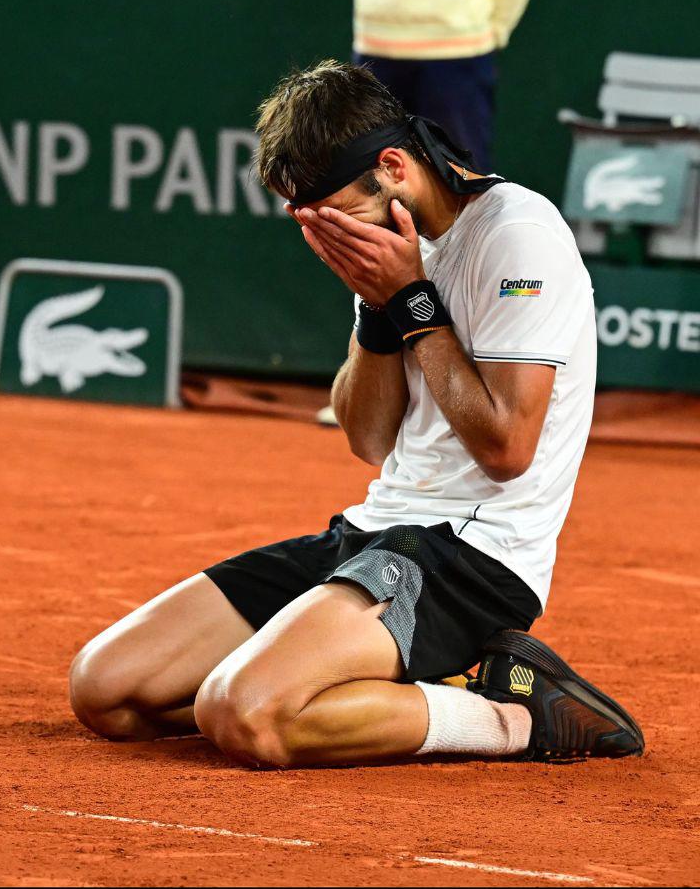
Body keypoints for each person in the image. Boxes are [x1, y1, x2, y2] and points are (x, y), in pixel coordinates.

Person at [68, 61, 643, 768]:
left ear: (393, 166)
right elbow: (368, 438)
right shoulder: (385, 247)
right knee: (107, 690)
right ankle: (333, 684)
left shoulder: (518, 236)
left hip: (474, 559)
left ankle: (517, 717)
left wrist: (413, 301)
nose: (332, 237)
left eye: (338, 216)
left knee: (244, 714)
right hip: (374, 537)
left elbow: (507, 447)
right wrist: (379, 307)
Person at [352, 0, 532, 175]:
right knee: (370, 175)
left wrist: (495, 28)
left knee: (462, 174)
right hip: (374, 44)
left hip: (458, 49)